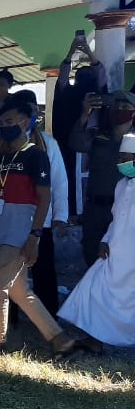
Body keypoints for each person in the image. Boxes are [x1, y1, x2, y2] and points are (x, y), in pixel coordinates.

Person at [0, 98, 77, 358]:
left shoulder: (37, 154)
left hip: (21, 230)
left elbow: (45, 197)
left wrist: (35, 236)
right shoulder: (1, 156)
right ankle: (59, 338)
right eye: (1, 122)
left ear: (26, 122)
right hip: (1, 229)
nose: (3, 126)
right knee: (19, 290)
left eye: (9, 121)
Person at [58, 131, 135, 347]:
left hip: (131, 259)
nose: (121, 163)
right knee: (92, 288)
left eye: (125, 158)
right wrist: (105, 239)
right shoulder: (121, 185)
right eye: (120, 158)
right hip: (114, 252)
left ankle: (116, 340)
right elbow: (116, 219)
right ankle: (94, 338)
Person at [71, 89, 135, 265]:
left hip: (125, 211)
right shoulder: (99, 136)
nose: (119, 109)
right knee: (92, 256)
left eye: (124, 106)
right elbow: (76, 143)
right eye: (115, 106)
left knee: (122, 261)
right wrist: (85, 113)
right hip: (95, 209)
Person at [53, 35, 108, 221]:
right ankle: (73, 213)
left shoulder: (100, 96)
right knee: (70, 178)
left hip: (94, 147)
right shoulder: (69, 95)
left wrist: (78, 51)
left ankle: (85, 213)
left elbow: (99, 73)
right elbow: (62, 79)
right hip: (71, 146)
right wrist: (79, 51)